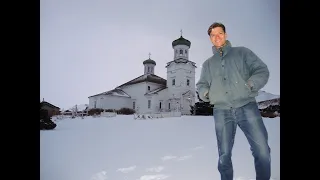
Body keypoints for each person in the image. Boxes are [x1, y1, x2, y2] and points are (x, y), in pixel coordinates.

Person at [196, 22, 271, 180]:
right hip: (221, 111)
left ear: (226, 35)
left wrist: (250, 84)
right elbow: (201, 85)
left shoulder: (242, 53)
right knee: (224, 155)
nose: (217, 37)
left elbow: (261, 70)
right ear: (210, 38)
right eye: (213, 35)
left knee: (262, 150)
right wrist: (206, 93)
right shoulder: (208, 64)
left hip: (247, 106)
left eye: (220, 33)